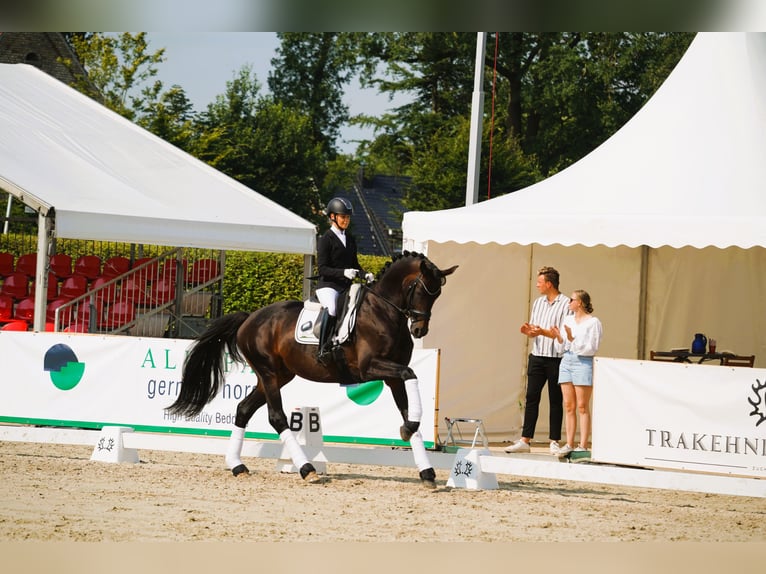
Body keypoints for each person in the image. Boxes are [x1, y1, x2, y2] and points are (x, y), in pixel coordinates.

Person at [505, 266, 570, 455]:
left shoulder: (566, 304)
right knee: (531, 397)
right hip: (537, 355)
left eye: (540, 282)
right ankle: (525, 439)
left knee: (555, 400)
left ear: (549, 284)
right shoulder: (538, 303)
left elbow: (563, 333)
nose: (537, 285)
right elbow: (535, 327)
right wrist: (529, 330)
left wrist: (542, 331)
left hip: (556, 358)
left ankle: (554, 440)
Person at [315, 197, 374, 360]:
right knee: (333, 309)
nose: (346, 220)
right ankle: (323, 349)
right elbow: (322, 269)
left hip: (345, 287)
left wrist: (365, 274)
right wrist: (343, 273)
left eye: (348, 217)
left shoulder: (350, 239)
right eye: (343, 217)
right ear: (333, 217)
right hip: (328, 286)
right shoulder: (325, 239)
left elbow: (354, 264)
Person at [550, 290, 603, 457]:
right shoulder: (568, 320)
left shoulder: (593, 322)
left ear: (580, 302)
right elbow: (562, 346)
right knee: (569, 405)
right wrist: (559, 337)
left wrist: (573, 339)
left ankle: (583, 444)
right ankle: (569, 443)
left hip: (583, 362)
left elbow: (591, 347)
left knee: (582, 405)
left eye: (572, 300)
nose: (569, 302)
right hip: (567, 360)